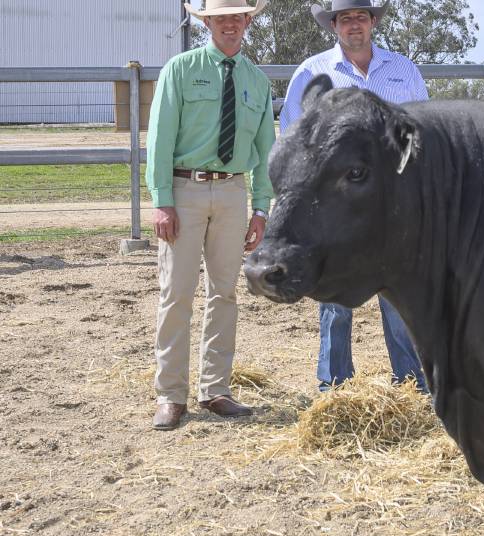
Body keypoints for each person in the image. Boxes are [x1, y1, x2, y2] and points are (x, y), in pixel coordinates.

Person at [280, 0, 429, 393]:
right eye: (345, 18)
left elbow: (422, 130)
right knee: (334, 294)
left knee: (398, 295)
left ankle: (411, 384)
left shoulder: (403, 70)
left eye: (360, 17)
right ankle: (335, 386)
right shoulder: (313, 72)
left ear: (372, 22)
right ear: (334, 25)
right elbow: (293, 137)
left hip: (393, 203)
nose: (354, 25)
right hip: (337, 206)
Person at [145, 0, 275, 431]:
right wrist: (163, 200)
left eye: (238, 16)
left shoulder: (257, 81)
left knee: (225, 293)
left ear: (247, 22)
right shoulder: (180, 70)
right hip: (185, 191)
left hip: (234, 194)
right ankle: (171, 395)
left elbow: (264, 152)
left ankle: (216, 389)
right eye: (222, 17)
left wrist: (260, 208)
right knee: (176, 293)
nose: (231, 24)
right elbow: (160, 139)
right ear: (208, 23)